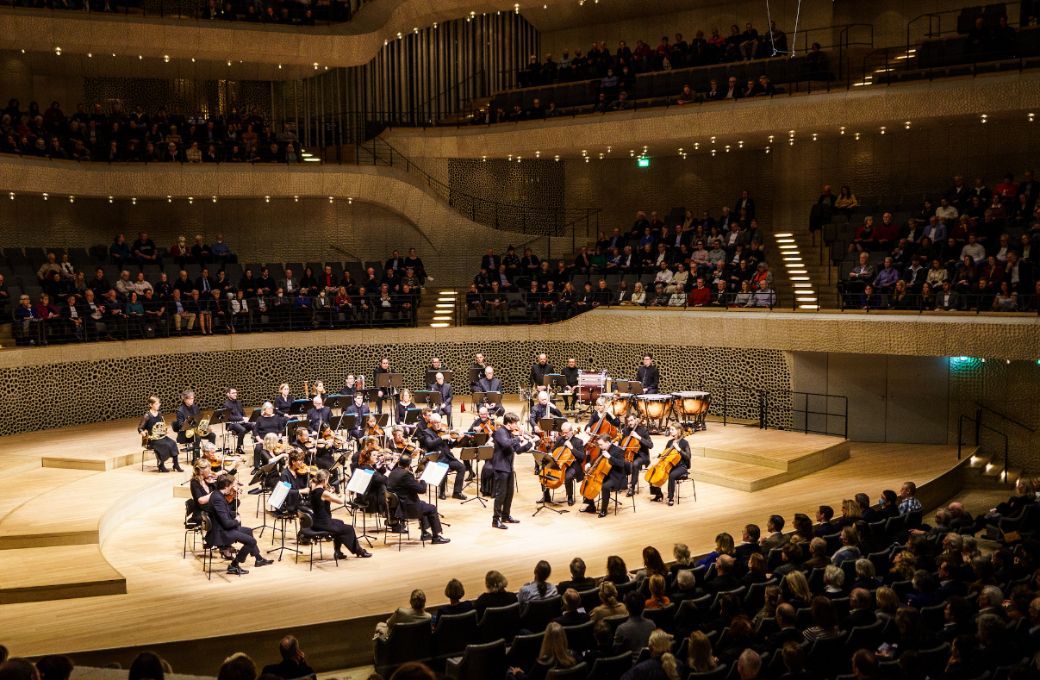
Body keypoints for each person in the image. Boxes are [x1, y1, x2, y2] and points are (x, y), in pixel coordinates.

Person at [206, 475, 273, 575]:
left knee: (249, 531)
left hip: (222, 528)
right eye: (232, 485)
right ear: (226, 486)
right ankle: (233, 565)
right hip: (221, 533)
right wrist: (237, 520)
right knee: (251, 541)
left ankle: (259, 559)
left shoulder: (218, 494)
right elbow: (227, 523)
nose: (234, 487)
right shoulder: (217, 499)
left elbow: (225, 512)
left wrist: (235, 511)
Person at [386, 454, 450, 544]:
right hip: (407, 508)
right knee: (432, 508)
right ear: (409, 465)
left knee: (423, 504)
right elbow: (422, 490)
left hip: (397, 507)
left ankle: (425, 533)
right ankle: (436, 537)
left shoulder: (394, 472)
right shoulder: (406, 475)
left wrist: (414, 481)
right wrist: (423, 479)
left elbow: (405, 485)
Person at [308, 470, 371, 559]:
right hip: (323, 523)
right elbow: (340, 501)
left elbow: (323, 499)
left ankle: (338, 552)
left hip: (316, 521)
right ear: (325, 480)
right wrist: (337, 493)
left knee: (340, 523)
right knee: (349, 529)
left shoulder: (314, 489)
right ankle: (359, 551)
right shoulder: (323, 493)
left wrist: (329, 492)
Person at [491, 413, 537, 529]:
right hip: (501, 467)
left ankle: (505, 516)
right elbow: (505, 444)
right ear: (508, 423)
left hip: (509, 467)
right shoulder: (500, 432)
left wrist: (530, 443)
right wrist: (518, 438)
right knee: (500, 494)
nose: (516, 425)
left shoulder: (510, 434)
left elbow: (518, 450)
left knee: (509, 493)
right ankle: (495, 520)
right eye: (515, 423)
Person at [582, 435, 633, 518]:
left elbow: (621, 464)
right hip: (604, 474)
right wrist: (589, 463)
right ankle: (591, 506)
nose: (599, 446)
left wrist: (610, 457)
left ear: (607, 442)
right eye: (599, 445)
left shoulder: (618, 450)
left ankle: (603, 510)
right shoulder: (602, 449)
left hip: (616, 476)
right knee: (588, 481)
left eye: (601, 444)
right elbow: (596, 459)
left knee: (605, 486)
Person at [509, 622, 577, 680]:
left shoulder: (542, 664)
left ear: (546, 640)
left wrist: (518, 673)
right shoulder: (574, 657)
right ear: (564, 638)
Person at [138, 396, 182, 472]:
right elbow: (140, 428)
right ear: (151, 405)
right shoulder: (147, 416)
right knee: (164, 445)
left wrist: (166, 429)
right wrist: (142, 432)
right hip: (152, 439)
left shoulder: (159, 414)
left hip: (161, 436)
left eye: (159, 404)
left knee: (173, 443)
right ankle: (161, 465)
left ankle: (176, 464)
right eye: (156, 404)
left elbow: (163, 425)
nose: (158, 405)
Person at [648, 423, 689, 505]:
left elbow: (688, 457)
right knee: (653, 472)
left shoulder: (684, 443)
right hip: (670, 465)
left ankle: (671, 498)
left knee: (672, 475)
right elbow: (665, 453)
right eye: (670, 429)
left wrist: (679, 449)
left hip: (681, 467)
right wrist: (659, 455)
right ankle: (658, 495)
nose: (670, 431)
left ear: (679, 430)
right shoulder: (670, 442)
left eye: (672, 430)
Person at [174, 389, 216, 461]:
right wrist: (188, 422)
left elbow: (199, 420)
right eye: (190, 399)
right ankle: (196, 458)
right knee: (197, 437)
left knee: (212, 435)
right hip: (185, 433)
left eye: (193, 398)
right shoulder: (180, 411)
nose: (192, 400)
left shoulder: (195, 407)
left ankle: (209, 454)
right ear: (185, 399)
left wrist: (205, 426)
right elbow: (181, 425)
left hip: (196, 431)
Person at [613, 592, 656, 659]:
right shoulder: (652, 625)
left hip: (630, 665)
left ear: (626, 607)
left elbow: (616, 653)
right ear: (643, 606)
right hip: (649, 660)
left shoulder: (621, 629)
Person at [621, 414, 654, 496]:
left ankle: (632, 487)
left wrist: (638, 437)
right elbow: (621, 444)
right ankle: (621, 484)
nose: (630, 423)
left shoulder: (643, 430)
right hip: (628, 454)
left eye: (631, 420)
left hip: (642, 456)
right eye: (628, 421)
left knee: (635, 464)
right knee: (618, 461)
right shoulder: (626, 430)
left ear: (636, 420)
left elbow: (650, 445)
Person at [222, 387, 255, 454]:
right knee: (242, 429)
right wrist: (242, 418)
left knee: (254, 425)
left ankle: (257, 444)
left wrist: (246, 418)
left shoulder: (239, 403)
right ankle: (238, 447)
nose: (235, 394)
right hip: (231, 424)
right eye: (233, 393)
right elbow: (230, 417)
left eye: (236, 393)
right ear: (228, 394)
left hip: (241, 422)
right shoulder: (226, 404)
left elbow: (243, 413)